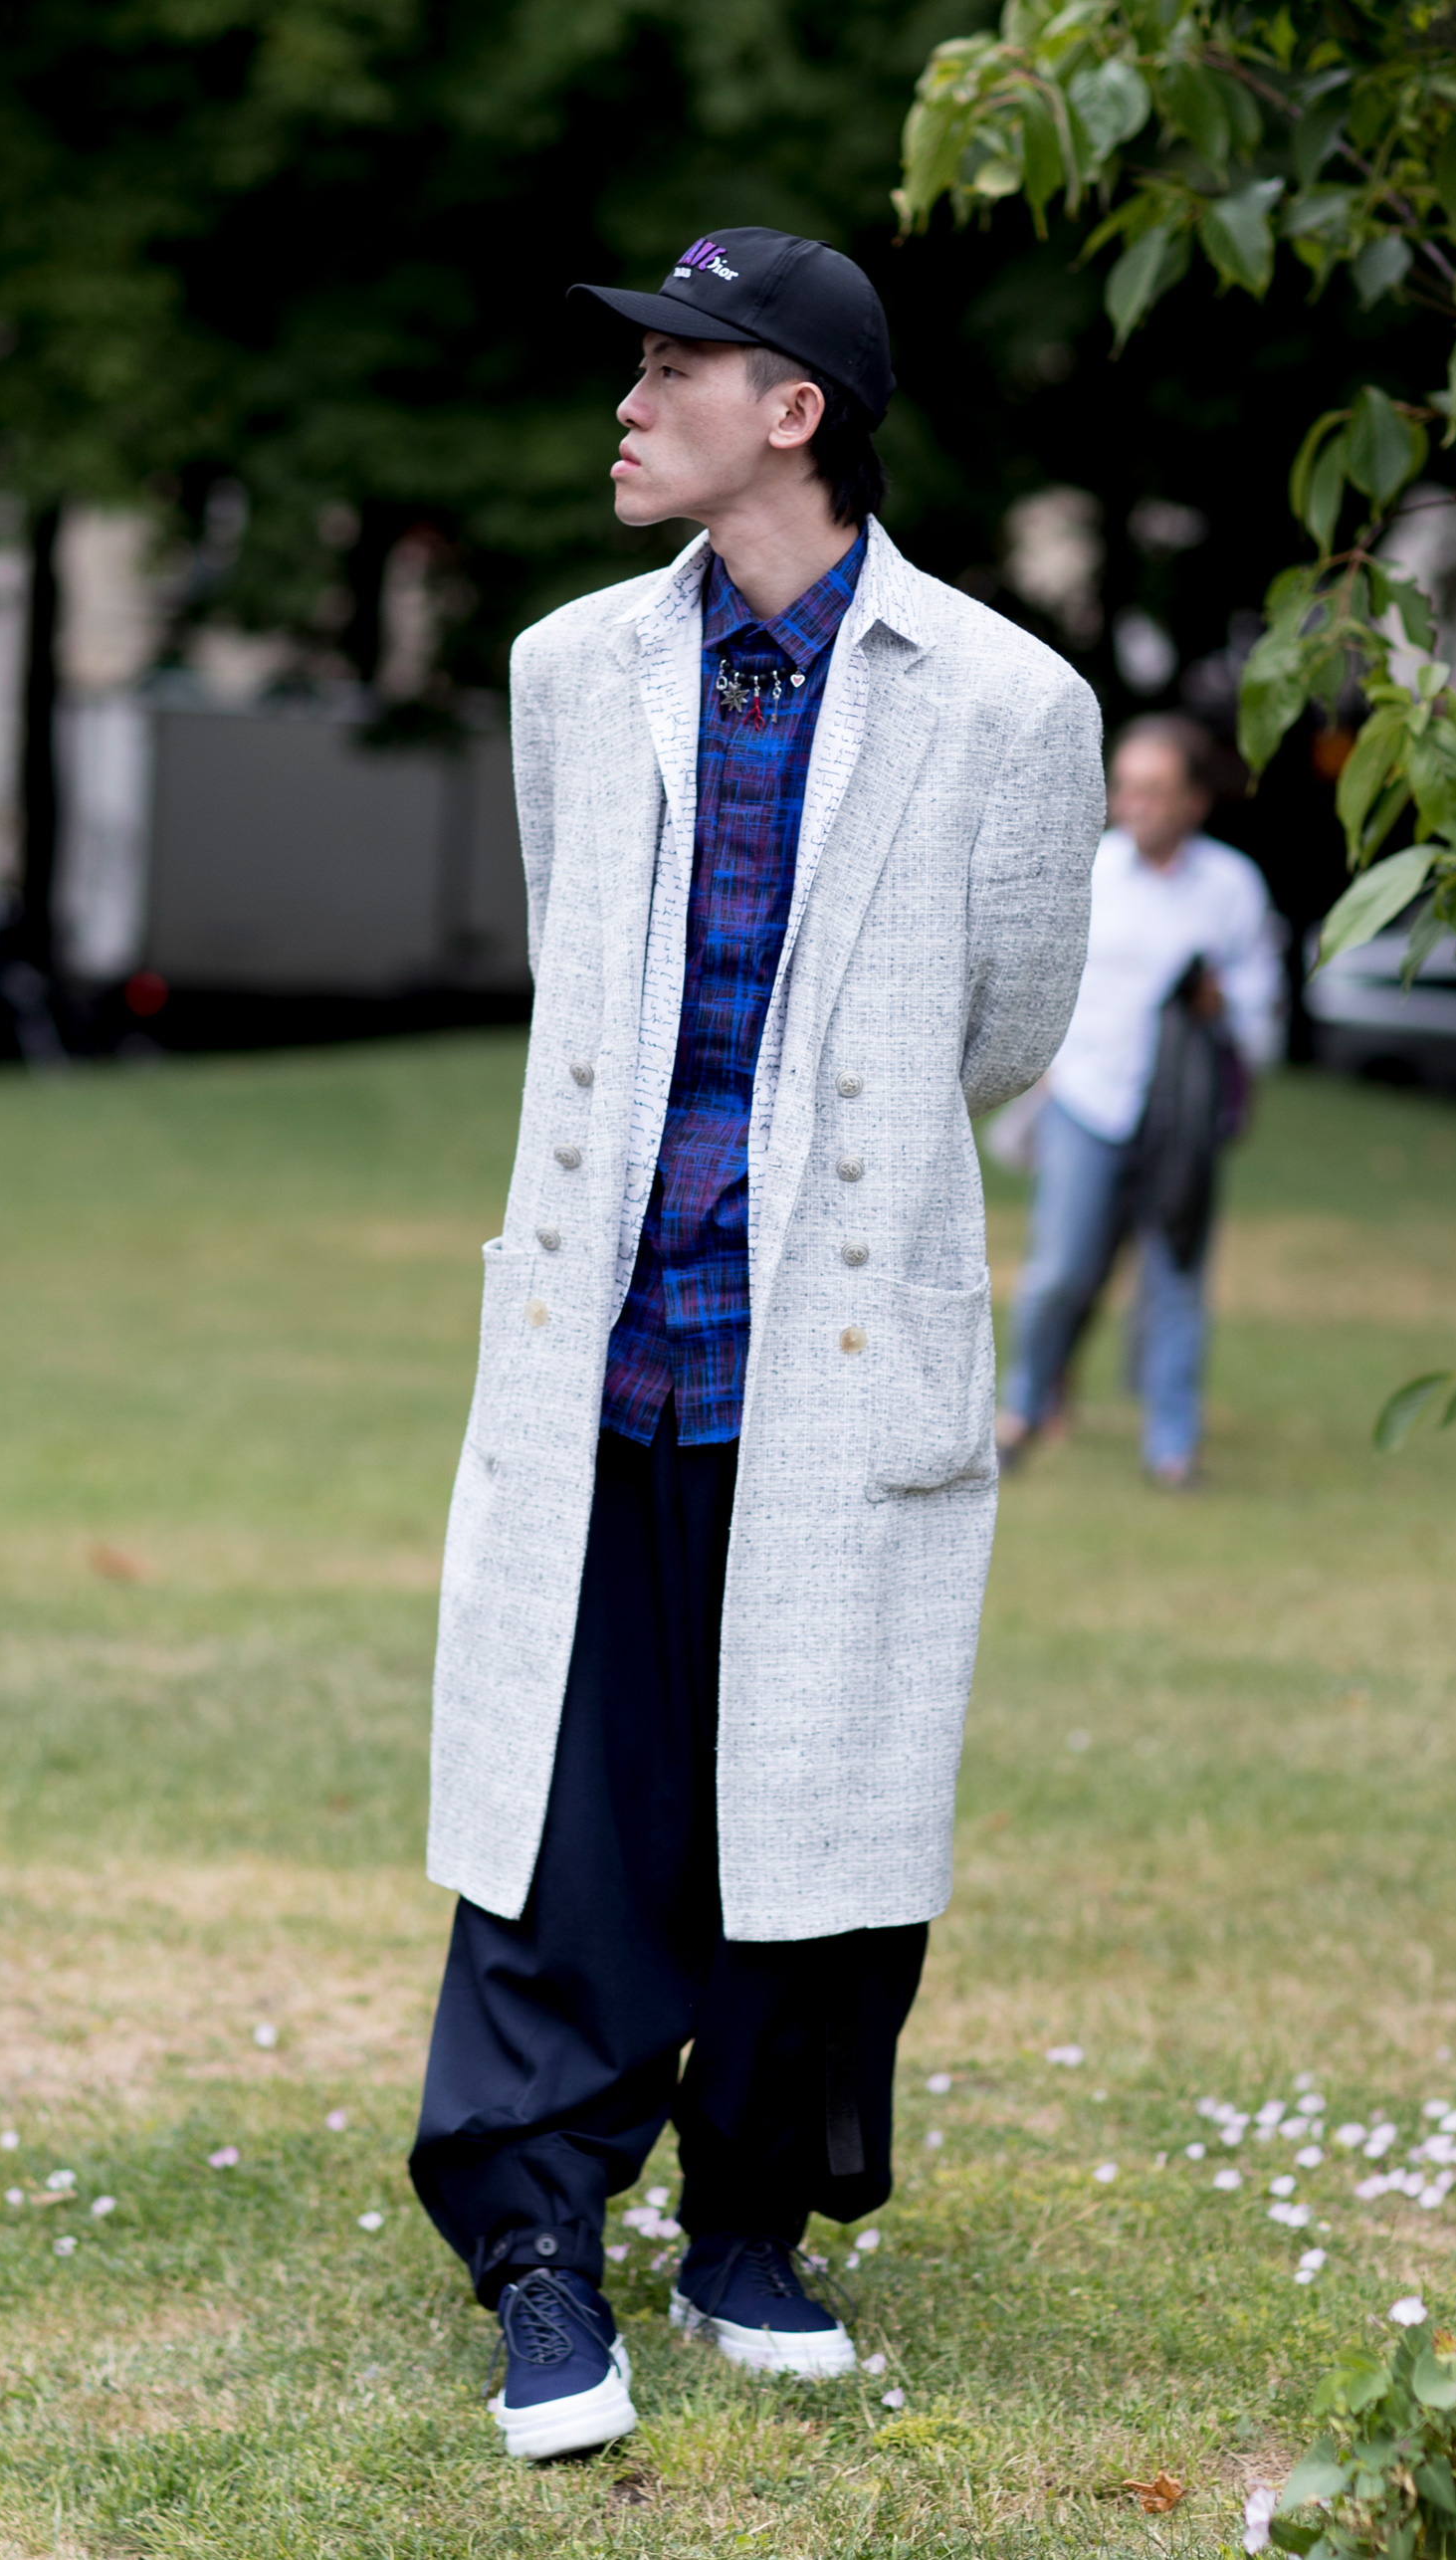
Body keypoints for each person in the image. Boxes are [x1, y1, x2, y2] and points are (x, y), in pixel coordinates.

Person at [407, 225, 1103, 2459]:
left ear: (793, 413)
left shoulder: (1007, 703)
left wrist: (829, 1191)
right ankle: (536, 2241)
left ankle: (748, 2230)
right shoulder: (569, 670)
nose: (627, 407)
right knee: (564, 1803)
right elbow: (586, 993)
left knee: (818, 1789)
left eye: (672, 371)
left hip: (841, 1346)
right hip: (604, 1340)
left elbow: (1006, 1029)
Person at [995, 714, 1284, 1489]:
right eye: (1126, 787)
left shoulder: (1231, 887)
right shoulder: (1089, 871)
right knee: (1060, 1271)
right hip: (1085, 1103)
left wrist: (1224, 1004)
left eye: (1155, 789)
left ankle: (1172, 1447)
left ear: (1194, 800)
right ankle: (1022, 1409)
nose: (1136, 804)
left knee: (1175, 1277)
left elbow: (1263, 1006)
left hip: (1180, 1116)